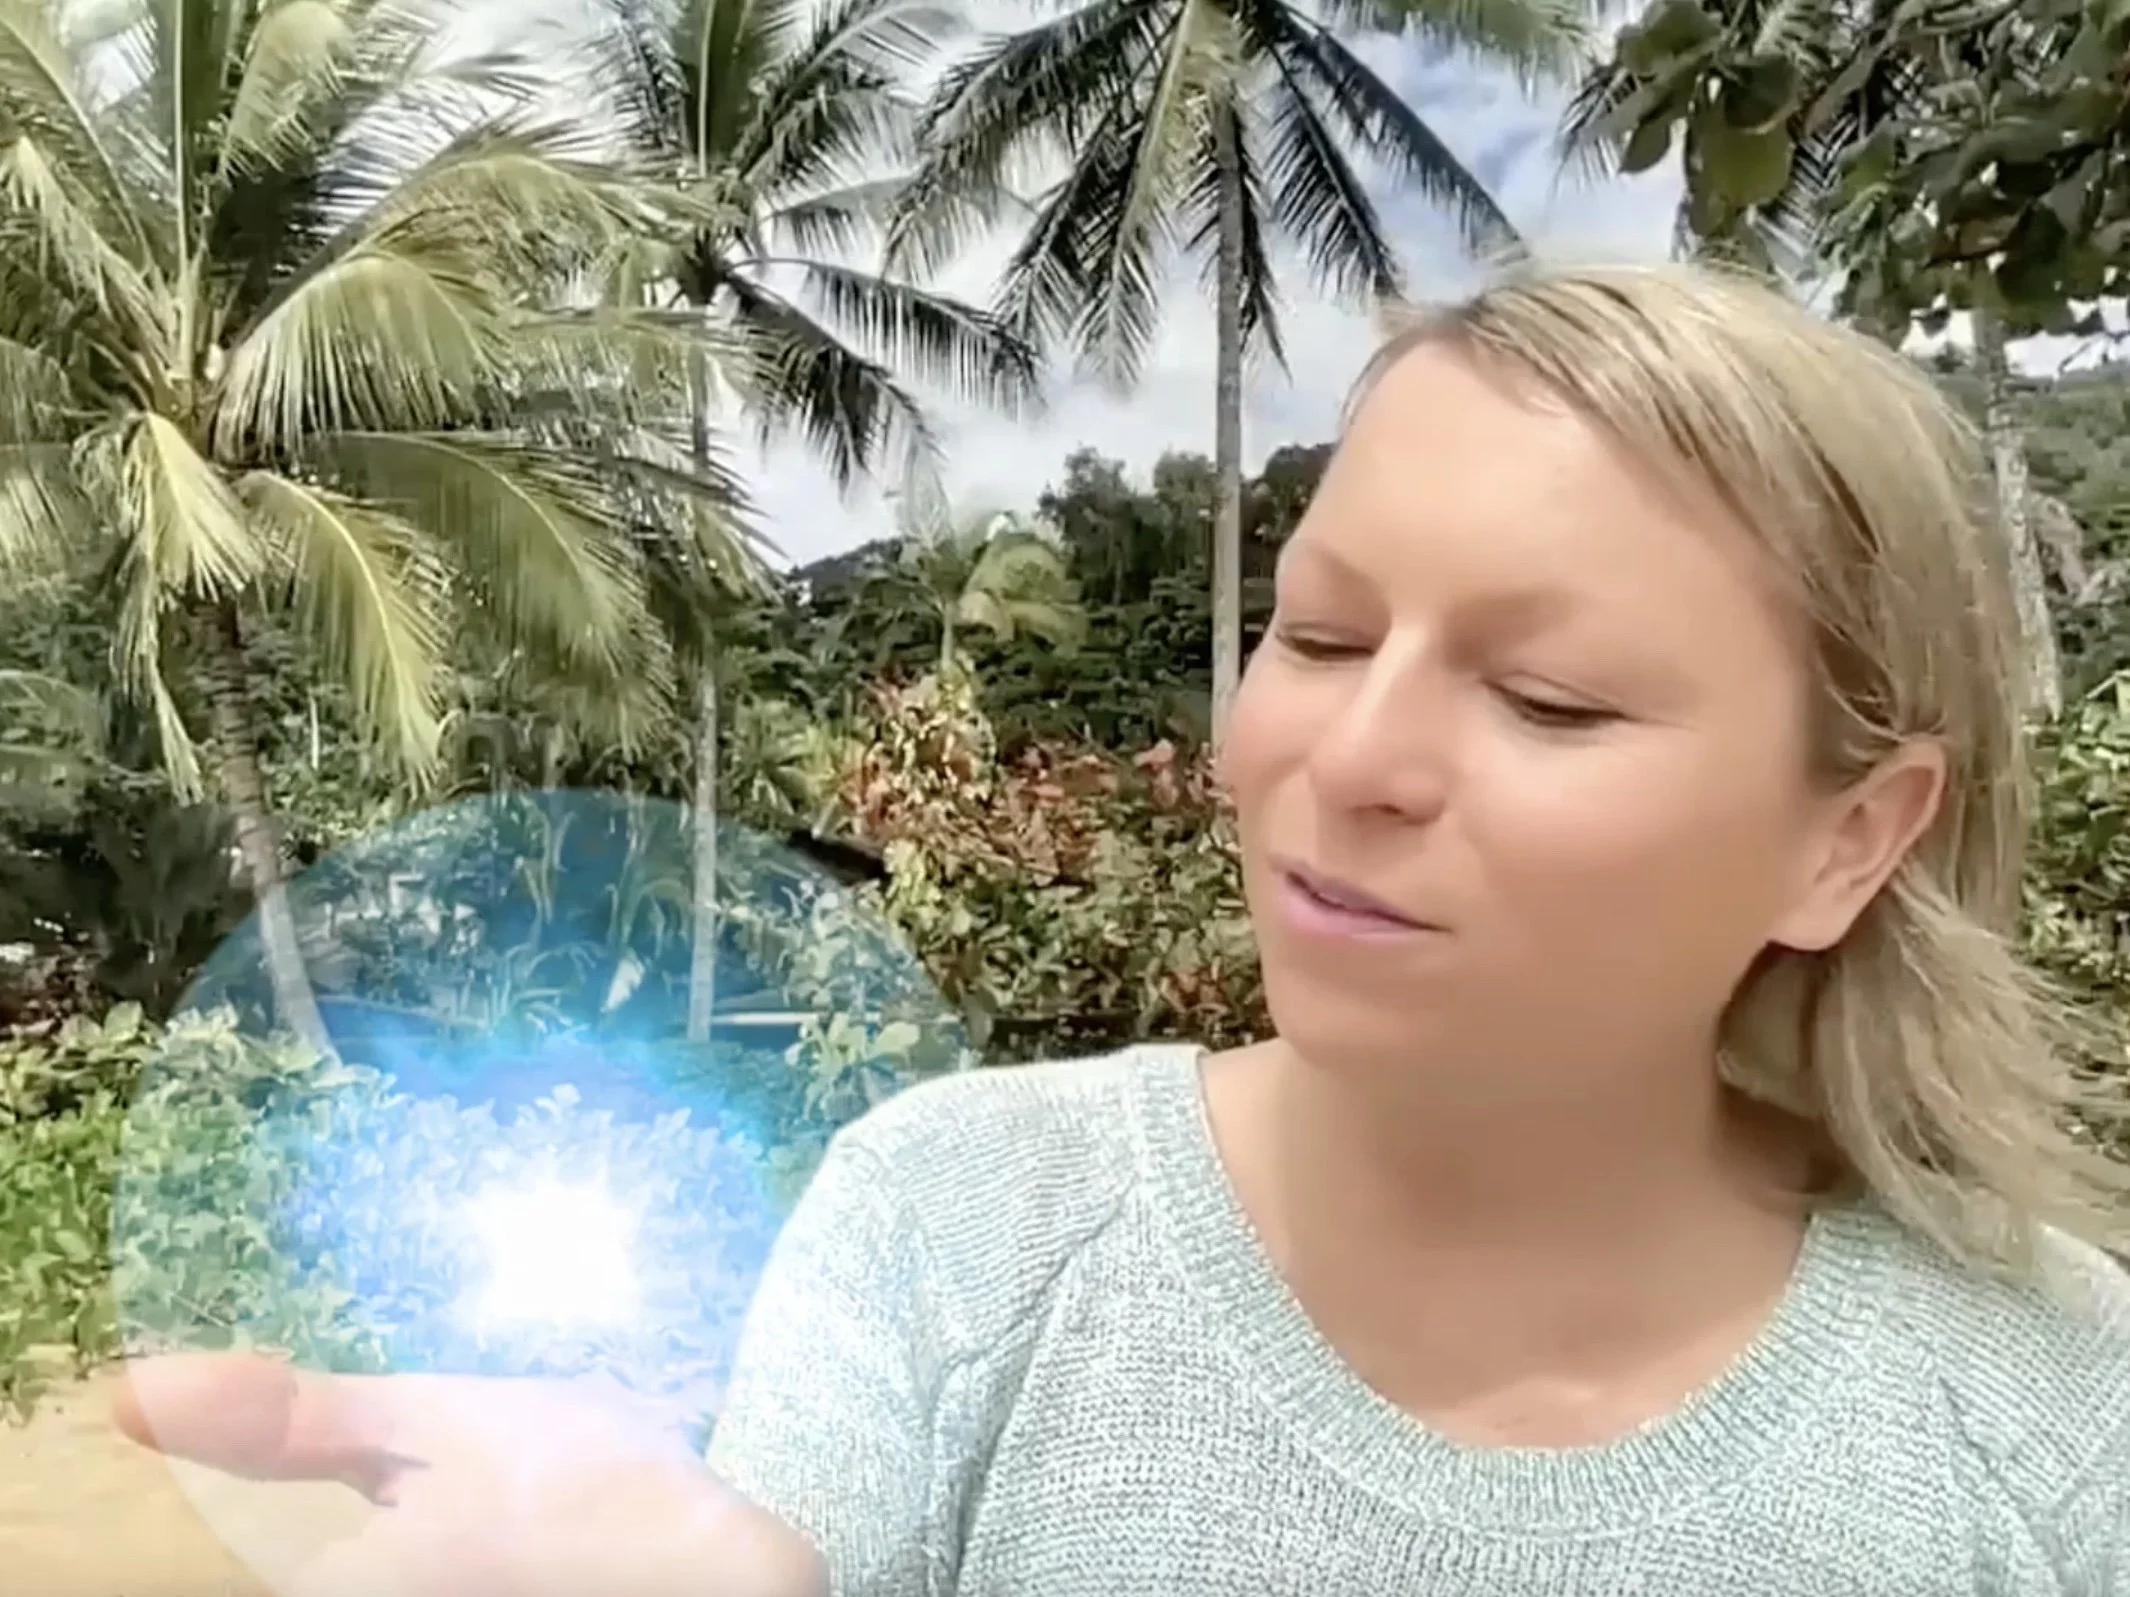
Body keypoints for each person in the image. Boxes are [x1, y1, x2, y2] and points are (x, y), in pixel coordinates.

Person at [121, 260, 2130, 1595]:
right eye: (1320, 633)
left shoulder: (2053, 1407)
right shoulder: (958, 1235)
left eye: (1547, 700)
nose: (1349, 754)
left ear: (1849, 839)